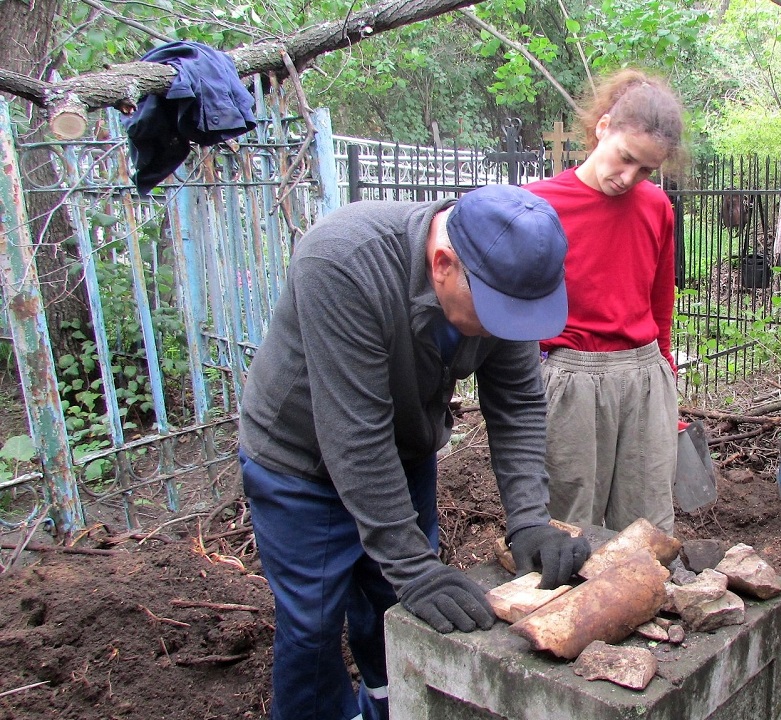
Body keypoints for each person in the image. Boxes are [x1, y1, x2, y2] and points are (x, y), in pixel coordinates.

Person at [238, 184, 593, 720]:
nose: (508, 329)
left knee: (395, 607)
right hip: (298, 463)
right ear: (444, 264)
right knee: (312, 623)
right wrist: (413, 565)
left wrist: (528, 522)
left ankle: (392, 705)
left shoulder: (502, 274)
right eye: (497, 313)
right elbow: (355, 435)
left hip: (401, 450)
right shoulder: (342, 261)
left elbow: (517, 402)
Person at [524, 70, 685, 534]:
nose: (628, 178)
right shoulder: (538, 205)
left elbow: (659, 304)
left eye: (646, 171)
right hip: (569, 379)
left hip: (644, 377)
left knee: (646, 527)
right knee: (566, 524)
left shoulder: (655, 208)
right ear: (603, 127)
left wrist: (666, 377)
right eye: (625, 159)